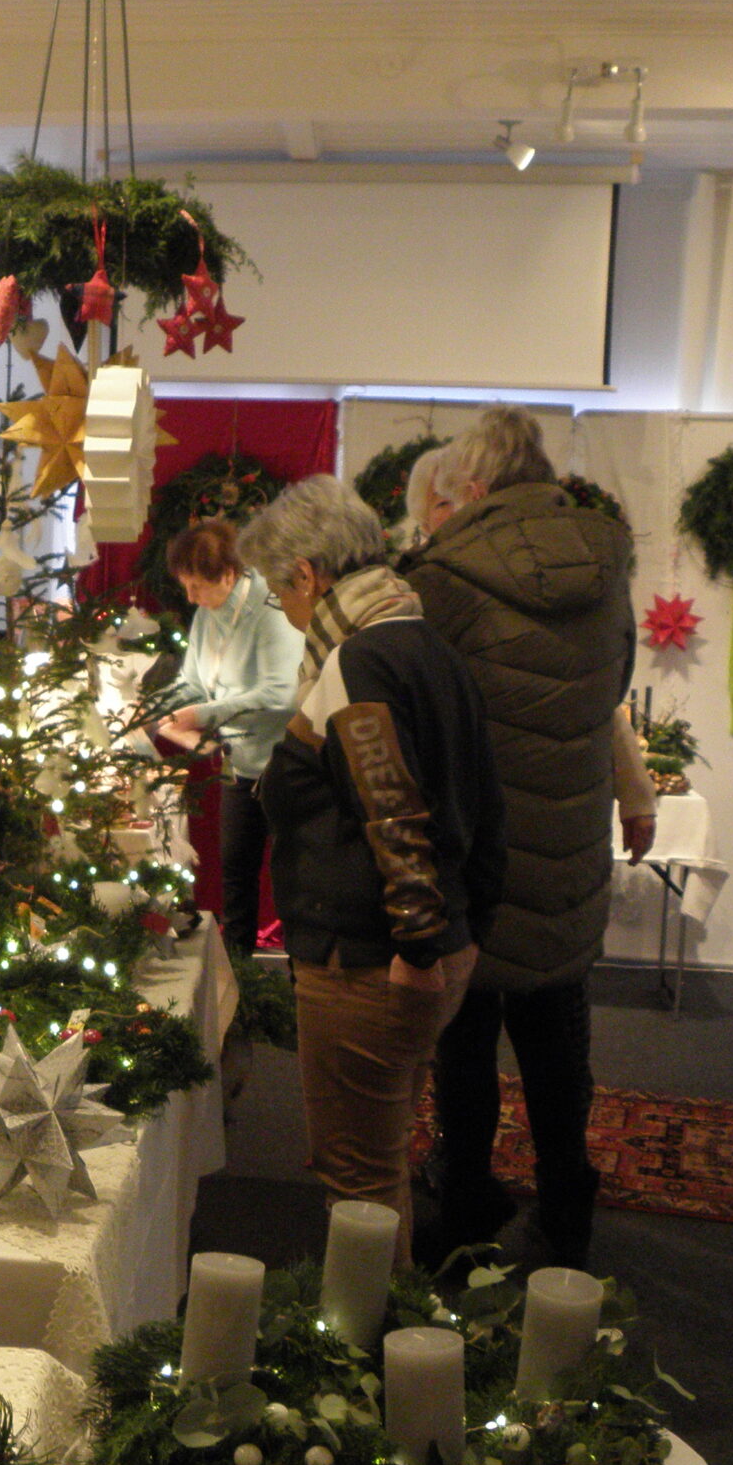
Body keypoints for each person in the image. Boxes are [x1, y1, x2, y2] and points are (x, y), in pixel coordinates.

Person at [242, 476, 505, 1252]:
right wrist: (465, 931)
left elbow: (391, 813)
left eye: (274, 591)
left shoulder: (358, 661)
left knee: (357, 1179)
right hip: (431, 950)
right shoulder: (430, 648)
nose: (283, 611)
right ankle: (388, 1343)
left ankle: (367, 1357)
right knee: (379, 1163)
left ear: (308, 576)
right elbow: (488, 807)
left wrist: (420, 947)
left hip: (369, 961)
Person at [403, 407, 638, 1270]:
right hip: (571, 838)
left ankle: (466, 1200)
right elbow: (618, 680)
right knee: (557, 1035)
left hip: (483, 843)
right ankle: (567, 1204)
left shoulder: (444, 575)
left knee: (464, 1039)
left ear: (471, 485)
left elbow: (423, 715)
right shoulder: (608, 560)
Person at [136, 516, 302, 954]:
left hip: (286, 765)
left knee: (290, 879)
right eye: (186, 586)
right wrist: (153, 707)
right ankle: (239, 977)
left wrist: (205, 713)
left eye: (197, 587)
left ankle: (294, 984)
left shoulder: (271, 610)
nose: (190, 597)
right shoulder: (208, 612)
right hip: (238, 761)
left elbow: (281, 694)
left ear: (228, 574)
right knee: (234, 872)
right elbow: (192, 680)